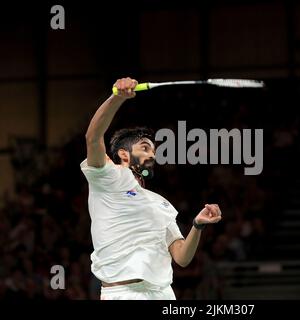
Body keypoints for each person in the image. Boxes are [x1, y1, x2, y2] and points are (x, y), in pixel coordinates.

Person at [80, 77, 222, 300]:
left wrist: (197, 225)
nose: (152, 154)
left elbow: (182, 257)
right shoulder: (108, 177)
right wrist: (117, 98)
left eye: (153, 150)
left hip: (163, 293)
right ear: (123, 154)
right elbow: (93, 137)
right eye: (145, 147)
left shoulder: (161, 203)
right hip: (123, 292)